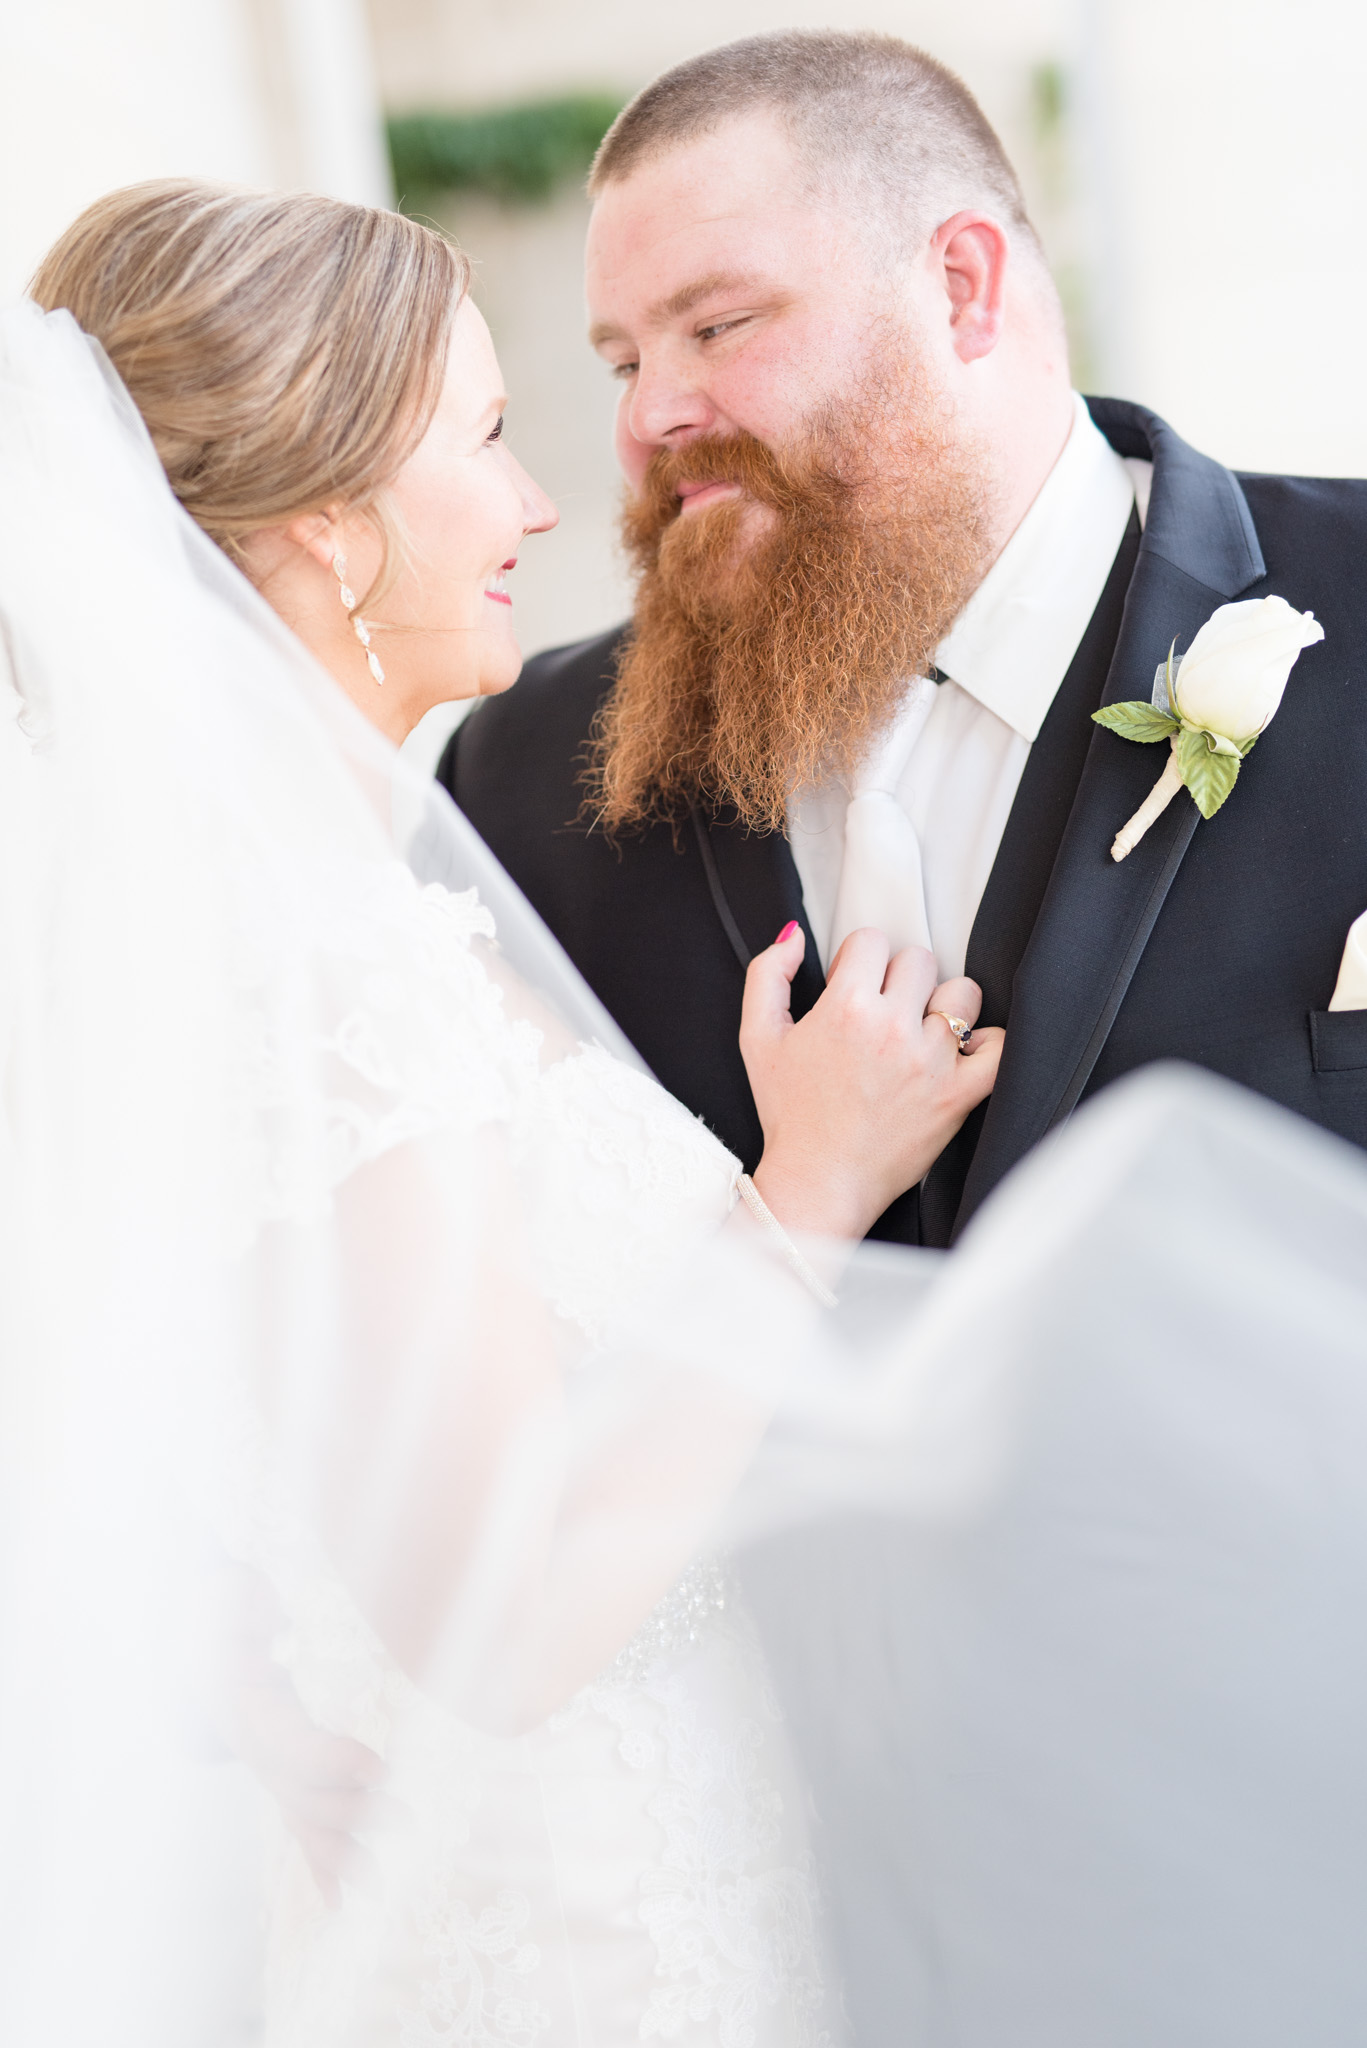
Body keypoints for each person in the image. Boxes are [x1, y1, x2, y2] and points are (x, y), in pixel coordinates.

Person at [7, 178, 998, 2048]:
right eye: (483, 436)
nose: (541, 503)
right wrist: (807, 1191)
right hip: (593, 1945)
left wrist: (244, 1673)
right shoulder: (321, 970)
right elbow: (504, 1609)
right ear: (325, 524)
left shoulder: (223, 929)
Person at [441, 29, 1367, 1249]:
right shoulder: (518, 775)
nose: (648, 416)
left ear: (960, 289)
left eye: (716, 326)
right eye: (621, 360)